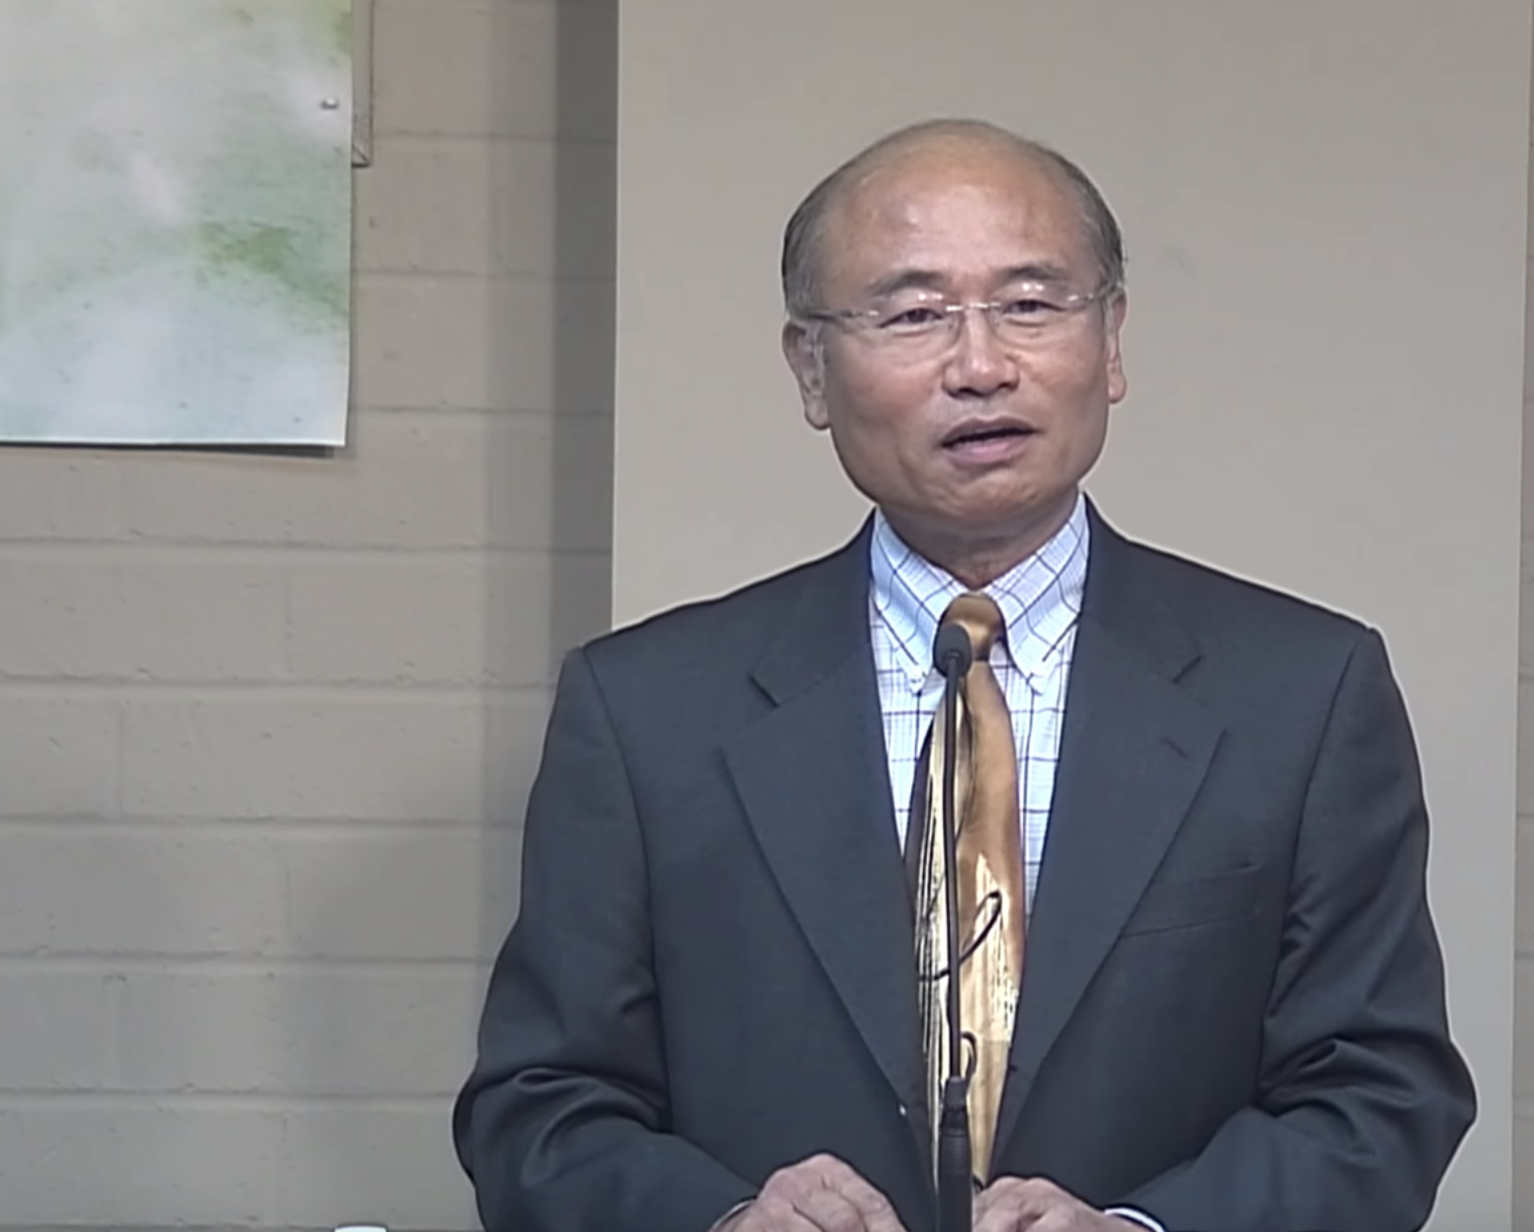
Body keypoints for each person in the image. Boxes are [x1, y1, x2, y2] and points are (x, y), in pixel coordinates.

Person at [452, 118, 1476, 1232]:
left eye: (1031, 304)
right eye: (913, 315)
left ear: (1112, 340)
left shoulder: (1303, 694)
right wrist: (724, 1218)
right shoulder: (646, 711)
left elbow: (1379, 1098)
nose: (981, 366)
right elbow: (538, 1110)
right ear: (810, 368)